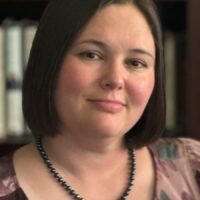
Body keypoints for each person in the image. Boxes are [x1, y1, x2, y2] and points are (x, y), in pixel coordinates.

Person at [0, 0, 199, 199]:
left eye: (136, 62)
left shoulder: (192, 169)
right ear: (49, 62)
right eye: (91, 55)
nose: (114, 79)